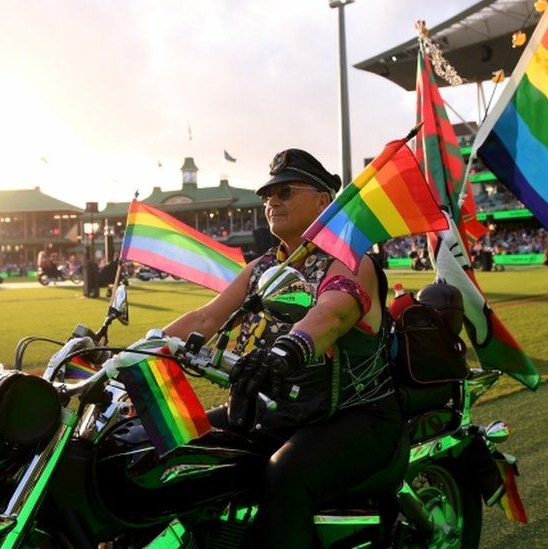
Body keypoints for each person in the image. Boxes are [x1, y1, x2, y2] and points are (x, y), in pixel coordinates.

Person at [163, 149, 401, 547]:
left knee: (284, 474)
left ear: (323, 201)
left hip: (353, 414)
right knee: (178, 444)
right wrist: (136, 351)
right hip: (276, 410)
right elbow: (206, 319)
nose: (272, 200)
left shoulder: (349, 258)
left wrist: (287, 349)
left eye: (286, 191)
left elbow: (335, 312)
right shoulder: (262, 268)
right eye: (267, 194)